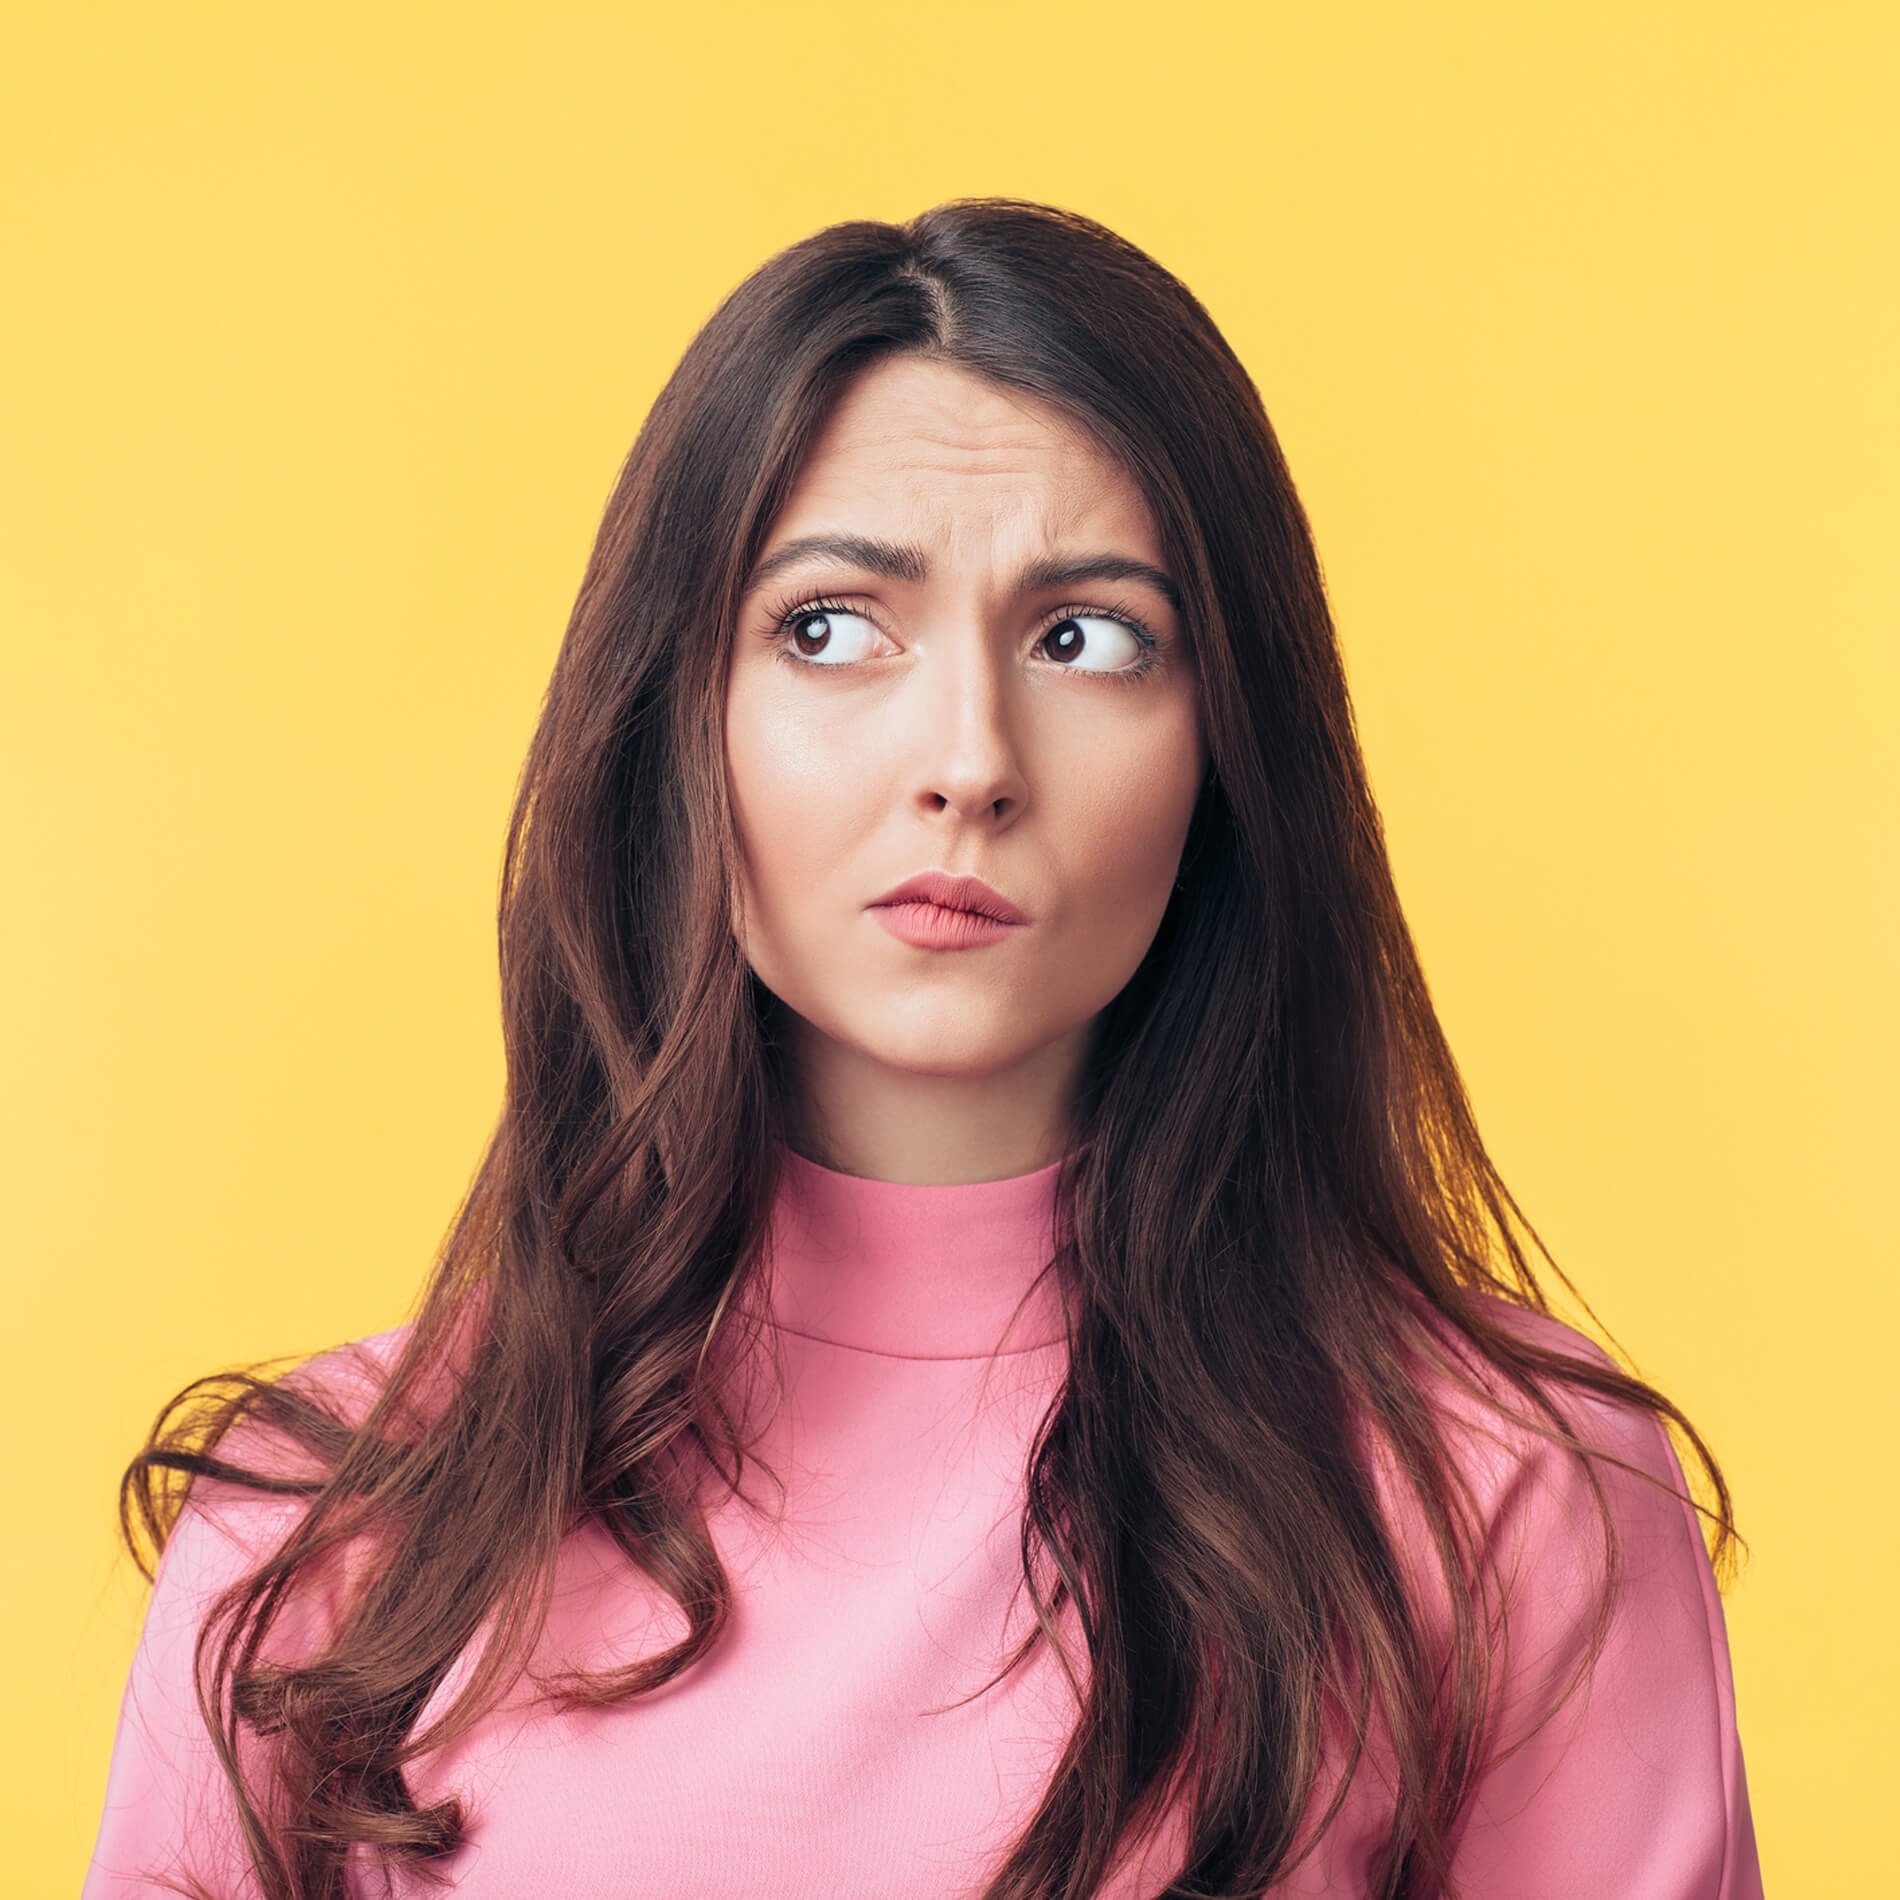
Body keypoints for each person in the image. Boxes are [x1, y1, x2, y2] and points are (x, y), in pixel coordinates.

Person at [83, 198, 1764, 1900]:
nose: (970, 756)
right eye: (828, 627)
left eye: (1089, 637)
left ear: (1227, 751)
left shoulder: (1506, 1498)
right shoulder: (327, 1528)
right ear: (679, 720)